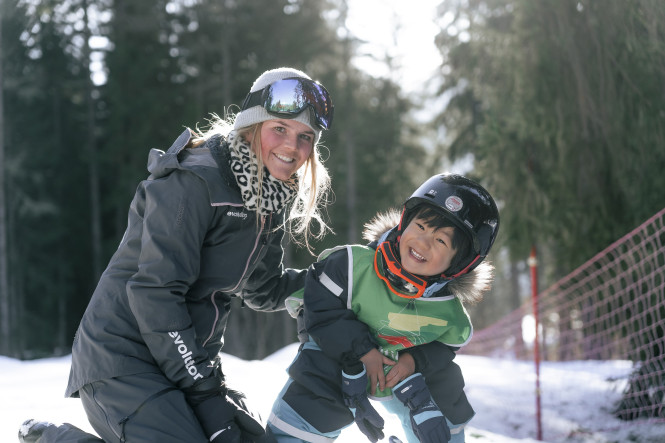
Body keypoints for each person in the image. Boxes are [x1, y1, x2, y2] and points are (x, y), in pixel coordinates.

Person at [19, 67, 335, 443]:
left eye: (305, 137)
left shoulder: (268, 197)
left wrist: (335, 284)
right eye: (279, 128)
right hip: (123, 360)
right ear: (252, 126)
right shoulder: (194, 182)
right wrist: (204, 391)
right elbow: (155, 293)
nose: (292, 147)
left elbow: (263, 288)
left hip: (186, 364)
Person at [266, 173, 500, 443]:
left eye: (441, 241)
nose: (423, 242)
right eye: (421, 226)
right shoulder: (353, 267)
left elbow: (445, 347)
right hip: (341, 355)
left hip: (400, 367)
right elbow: (321, 308)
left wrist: (414, 361)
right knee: (318, 379)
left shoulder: (445, 309)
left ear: (460, 264)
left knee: (443, 386)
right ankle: (293, 436)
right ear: (404, 223)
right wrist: (363, 352)